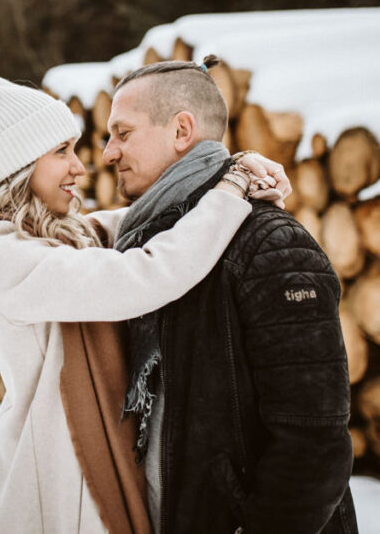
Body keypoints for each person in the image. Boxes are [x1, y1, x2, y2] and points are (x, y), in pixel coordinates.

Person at [0, 68, 290, 534]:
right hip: (56, 479)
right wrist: (231, 190)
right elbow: (142, 273)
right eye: (60, 152)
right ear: (19, 166)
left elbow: (141, 218)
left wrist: (224, 171)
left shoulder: (58, 237)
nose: (80, 167)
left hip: (84, 465)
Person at [102, 56, 357, 534]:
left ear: (182, 131)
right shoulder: (152, 250)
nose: (107, 153)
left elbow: (314, 442)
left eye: (123, 133)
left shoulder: (270, 245)